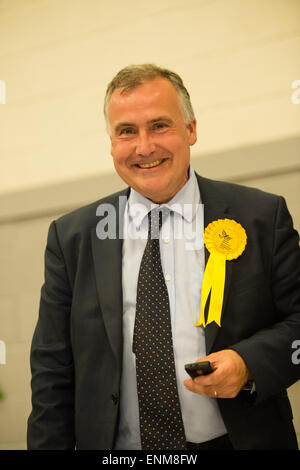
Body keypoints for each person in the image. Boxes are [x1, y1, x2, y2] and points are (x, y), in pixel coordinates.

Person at [27, 63, 300, 450]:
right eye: (126, 132)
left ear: (190, 130)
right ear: (111, 143)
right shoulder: (72, 237)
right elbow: (52, 369)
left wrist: (248, 363)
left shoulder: (261, 217)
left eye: (159, 126)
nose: (144, 147)